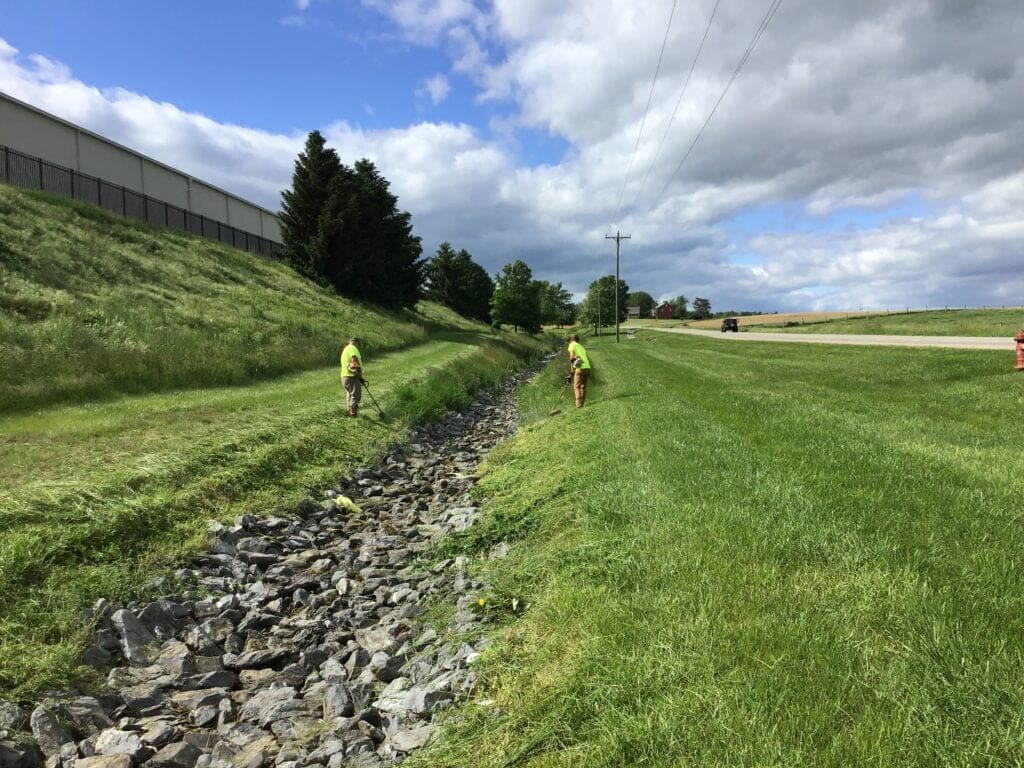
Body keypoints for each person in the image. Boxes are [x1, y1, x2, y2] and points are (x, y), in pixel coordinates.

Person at [340, 337, 363, 417]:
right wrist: (359, 373)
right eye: (358, 345)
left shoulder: (345, 349)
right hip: (352, 376)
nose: (358, 347)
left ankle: (349, 411)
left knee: (350, 393)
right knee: (356, 394)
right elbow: (354, 360)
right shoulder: (352, 348)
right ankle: (353, 413)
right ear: (355, 342)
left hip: (344, 376)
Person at [567, 333, 592, 408]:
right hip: (587, 367)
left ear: (572, 340)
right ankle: (582, 403)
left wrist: (572, 370)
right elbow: (580, 358)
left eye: (570, 341)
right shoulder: (581, 347)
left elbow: (572, 358)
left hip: (580, 368)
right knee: (583, 386)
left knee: (576, 386)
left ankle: (578, 404)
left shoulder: (572, 344)